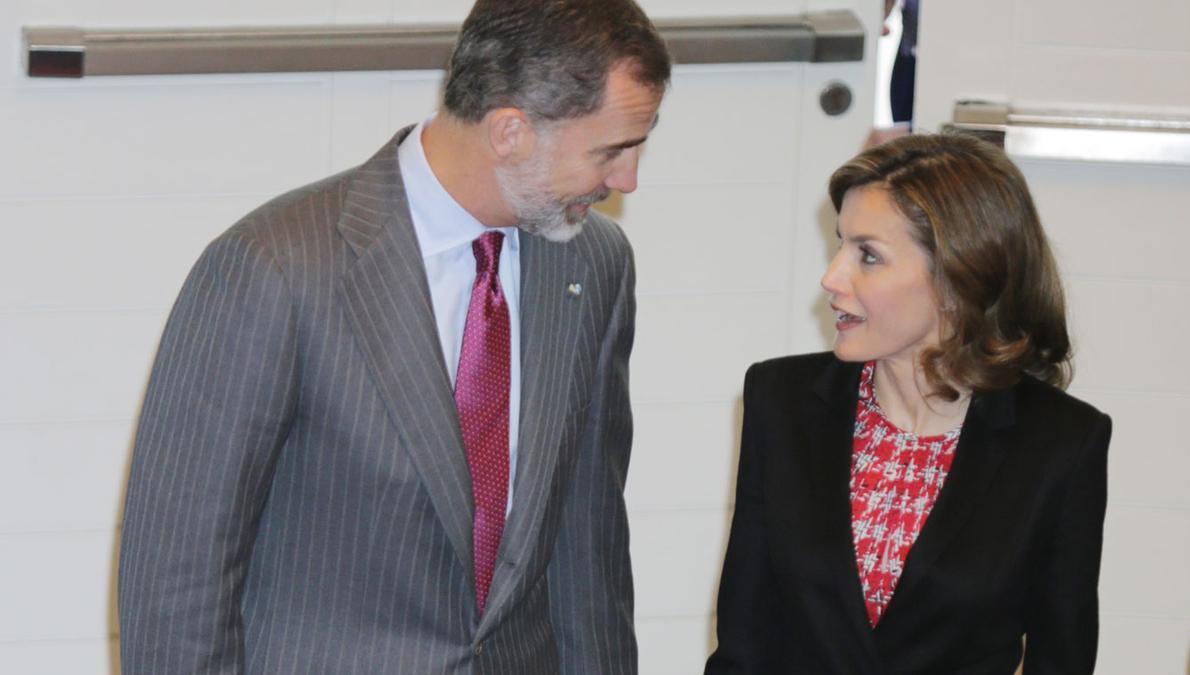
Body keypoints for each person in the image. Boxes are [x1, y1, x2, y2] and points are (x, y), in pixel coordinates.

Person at [117, 1, 670, 672]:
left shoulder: (594, 264)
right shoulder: (275, 268)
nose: (628, 180)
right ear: (510, 132)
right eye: (611, 150)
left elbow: (590, 550)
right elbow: (177, 582)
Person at [705, 133, 1111, 674]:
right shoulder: (781, 401)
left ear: (956, 277)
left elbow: (1061, 661)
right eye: (840, 244)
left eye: (867, 256)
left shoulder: (1062, 443)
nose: (831, 278)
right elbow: (743, 644)